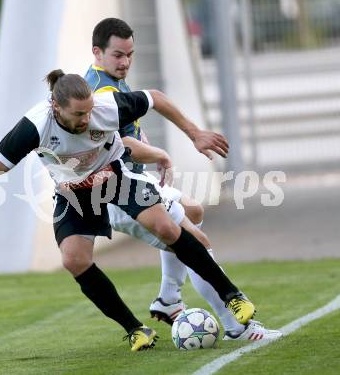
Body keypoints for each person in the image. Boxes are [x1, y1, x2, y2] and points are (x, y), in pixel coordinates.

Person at [0, 69, 256, 352]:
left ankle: (232, 296)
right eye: (79, 114)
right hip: (73, 193)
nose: (87, 119)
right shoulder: (35, 126)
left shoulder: (105, 108)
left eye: (89, 111)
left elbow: (155, 98)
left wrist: (195, 134)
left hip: (114, 175)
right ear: (56, 107)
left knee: (166, 227)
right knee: (74, 260)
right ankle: (135, 329)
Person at [84, 17, 282, 340]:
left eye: (130, 54)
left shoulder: (105, 78)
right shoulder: (101, 90)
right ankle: (237, 327)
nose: (126, 62)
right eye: (118, 55)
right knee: (196, 244)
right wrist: (160, 153)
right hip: (116, 195)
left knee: (193, 213)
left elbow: (153, 100)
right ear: (97, 52)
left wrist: (193, 134)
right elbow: (121, 145)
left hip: (130, 183)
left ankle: (168, 299)